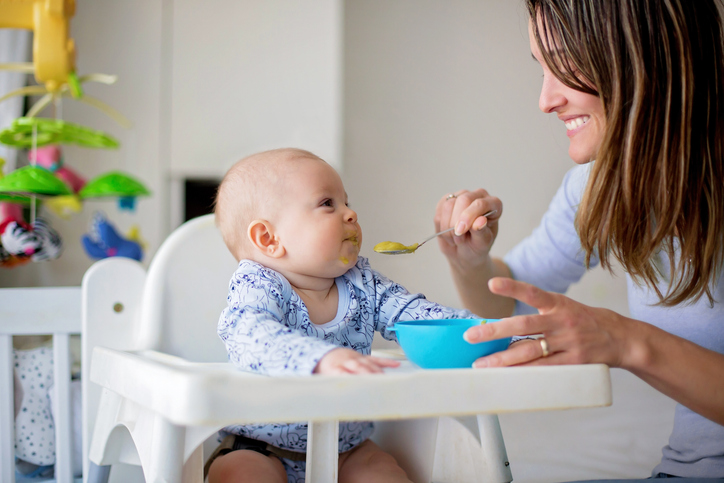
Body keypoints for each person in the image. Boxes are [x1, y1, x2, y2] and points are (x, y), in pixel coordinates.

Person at [432, 0, 724, 481]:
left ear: (643, 53)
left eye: (564, 63)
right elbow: (510, 302)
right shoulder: (599, 185)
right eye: (540, 68)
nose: (545, 100)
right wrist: (470, 261)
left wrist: (627, 342)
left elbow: (621, 340)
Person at [208, 148, 484, 483]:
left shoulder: (363, 284)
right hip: (258, 446)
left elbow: (419, 315)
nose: (351, 213)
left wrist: (489, 333)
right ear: (268, 239)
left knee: (383, 475)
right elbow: (249, 334)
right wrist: (321, 358)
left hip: (347, 448)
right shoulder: (258, 284)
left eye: (347, 202)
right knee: (240, 476)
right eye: (328, 204)